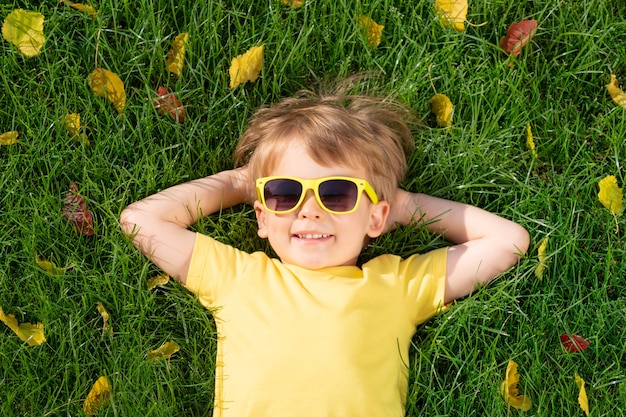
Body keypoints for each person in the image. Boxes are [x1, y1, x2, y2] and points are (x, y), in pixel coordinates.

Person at [120, 82, 530, 417]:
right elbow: (141, 221)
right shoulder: (237, 277)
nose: (309, 211)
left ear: (375, 218)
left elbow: (506, 241)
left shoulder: (396, 285)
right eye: (284, 193)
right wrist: (239, 183)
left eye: (336, 194)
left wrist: (401, 206)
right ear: (262, 217)